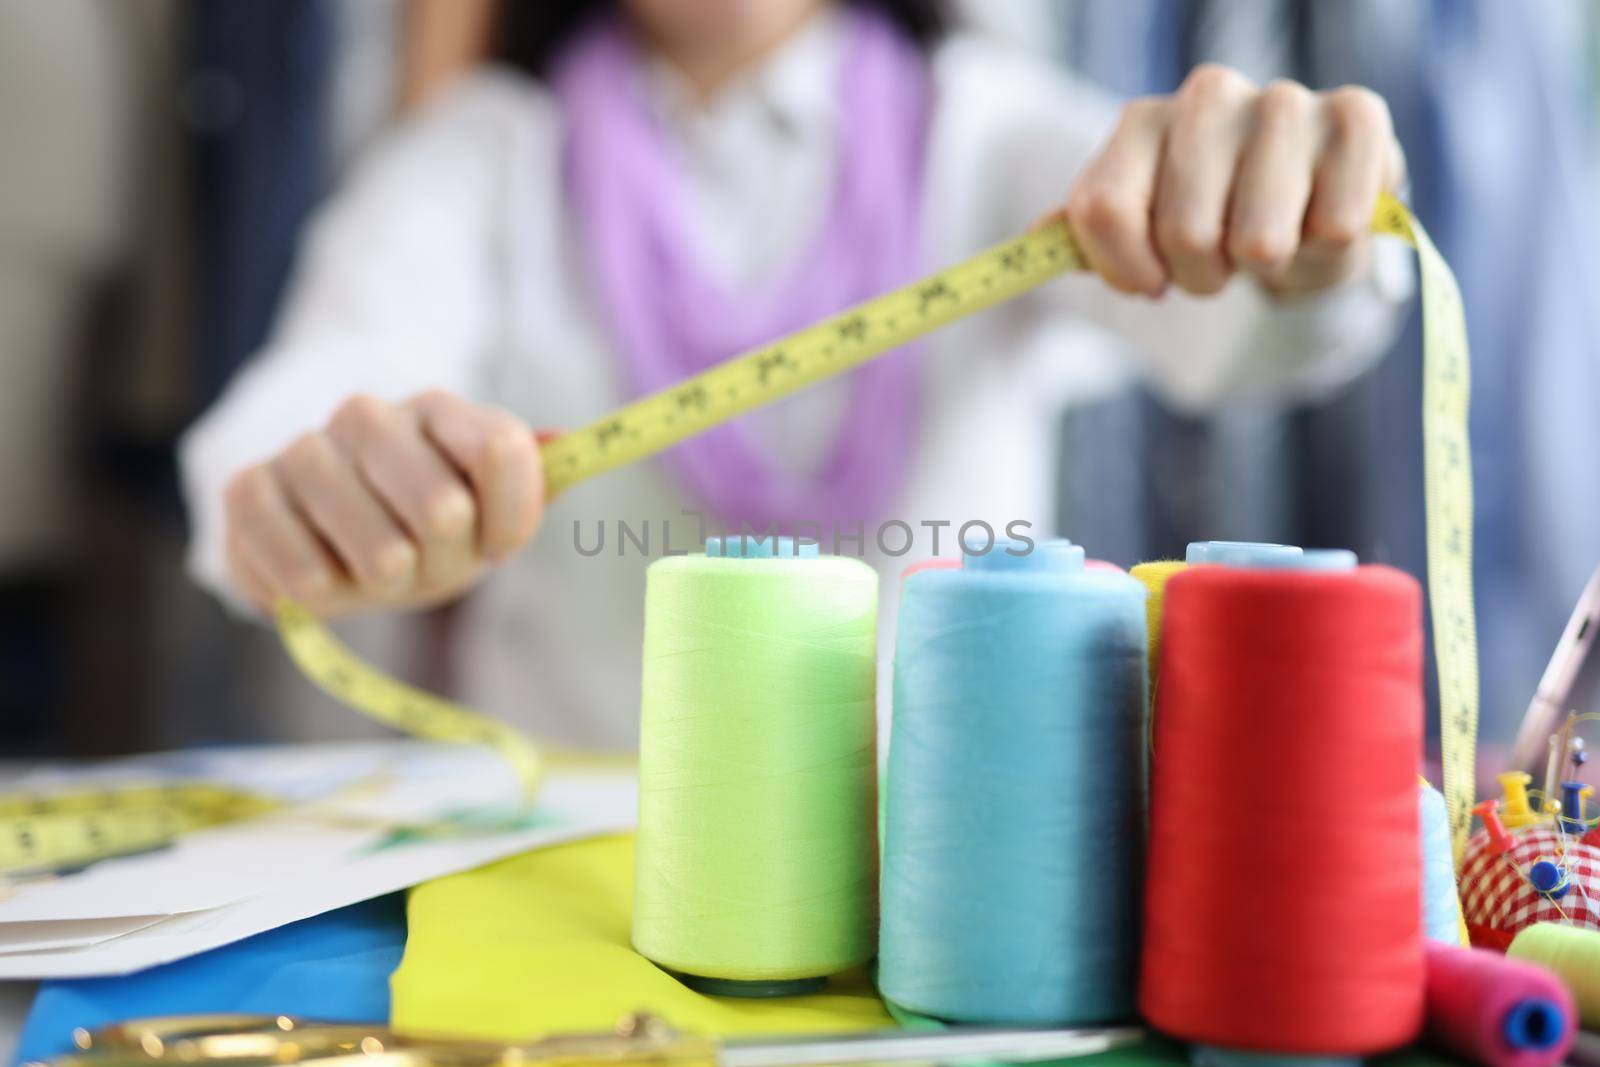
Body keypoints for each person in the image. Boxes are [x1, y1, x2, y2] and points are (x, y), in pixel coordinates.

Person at [180, 0, 1413, 746]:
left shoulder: (996, 128)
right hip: (567, 904)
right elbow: (315, 387)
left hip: (941, 893)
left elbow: (1247, 342)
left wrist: (1293, 222)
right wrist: (315, 493)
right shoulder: (484, 153)